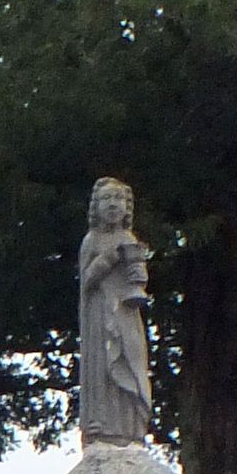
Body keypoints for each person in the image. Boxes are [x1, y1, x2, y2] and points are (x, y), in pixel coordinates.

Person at [77, 180, 152, 445]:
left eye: (118, 199)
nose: (112, 204)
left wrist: (138, 274)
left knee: (130, 363)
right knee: (103, 365)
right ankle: (101, 424)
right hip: (100, 313)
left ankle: (131, 426)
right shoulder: (92, 240)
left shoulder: (129, 239)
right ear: (96, 207)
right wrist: (109, 258)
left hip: (126, 313)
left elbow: (138, 278)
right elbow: (86, 280)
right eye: (107, 199)